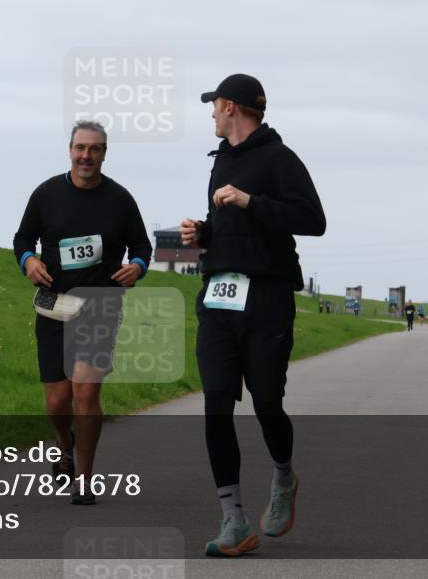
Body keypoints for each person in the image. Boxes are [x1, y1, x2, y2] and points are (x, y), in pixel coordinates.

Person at [180, 73, 326, 557]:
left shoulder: (278, 158)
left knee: (266, 403)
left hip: (266, 298)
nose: (211, 115)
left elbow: (313, 220)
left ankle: (284, 477)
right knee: (216, 402)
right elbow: (229, 227)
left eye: (214, 106)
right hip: (219, 300)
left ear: (230, 107)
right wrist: (202, 232)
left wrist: (250, 200)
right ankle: (234, 520)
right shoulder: (220, 160)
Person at [14, 120, 152, 505]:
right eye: (80, 148)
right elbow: (22, 238)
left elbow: (142, 245)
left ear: (104, 153)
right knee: (58, 401)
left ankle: (84, 479)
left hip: (101, 304)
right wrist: (28, 261)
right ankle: (64, 443)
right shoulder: (46, 194)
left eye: (94, 149)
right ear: (70, 150)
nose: (86, 156)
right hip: (54, 303)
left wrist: (137, 265)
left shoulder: (120, 199)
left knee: (85, 391)